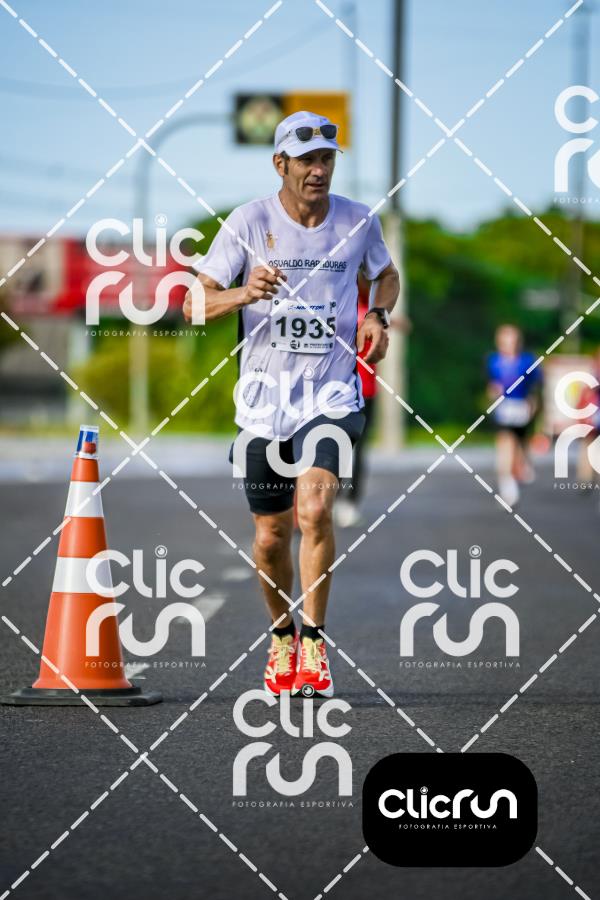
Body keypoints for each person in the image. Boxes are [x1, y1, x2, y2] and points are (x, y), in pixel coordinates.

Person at [183, 110, 399, 697]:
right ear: (280, 163)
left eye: (326, 159)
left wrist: (377, 314)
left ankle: (315, 643)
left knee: (315, 510)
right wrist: (242, 293)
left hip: (331, 394)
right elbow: (194, 305)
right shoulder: (248, 223)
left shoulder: (358, 220)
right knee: (271, 536)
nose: (318, 170)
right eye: (306, 160)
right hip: (263, 404)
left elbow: (386, 274)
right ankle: (282, 636)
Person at [486, 324, 542, 506]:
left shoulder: (527, 361)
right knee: (505, 444)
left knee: (519, 444)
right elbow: (492, 384)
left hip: (522, 408)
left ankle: (521, 466)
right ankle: (507, 487)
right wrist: (493, 391)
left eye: (511, 340)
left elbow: (535, 385)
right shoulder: (493, 361)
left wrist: (533, 402)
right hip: (504, 408)